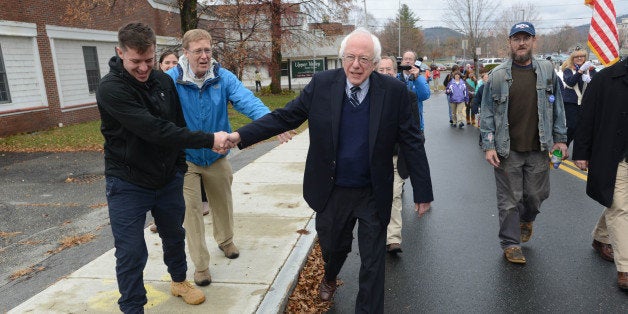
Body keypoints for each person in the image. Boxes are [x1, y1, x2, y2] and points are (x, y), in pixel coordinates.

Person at [226, 28, 433, 312]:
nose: (356, 64)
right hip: (332, 190)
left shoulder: (394, 92)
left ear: (374, 63)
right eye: (350, 57)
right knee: (334, 249)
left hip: (373, 191)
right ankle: (331, 274)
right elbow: (285, 116)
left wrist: (423, 190)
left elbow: (412, 140)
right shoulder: (322, 84)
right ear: (341, 58)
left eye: (363, 58)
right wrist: (241, 137)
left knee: (373, 264)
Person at [96, 22, 232, 313]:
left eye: (149, 60)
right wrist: (209, 139)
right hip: (127, 182)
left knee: (174, 235)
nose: (144, 68)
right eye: (135, 61)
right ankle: (133, 308)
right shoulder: (111, 89)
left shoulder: (164, 82)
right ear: (120, 53)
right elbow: (155, 130)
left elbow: (177, 126)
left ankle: (180, 281)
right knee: (131, 251)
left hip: (167, 178)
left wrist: (179, 168)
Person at [165, 29, 289, 287]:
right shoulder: (170, 80)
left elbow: (248, 101)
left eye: (208, 50)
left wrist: (273, 124)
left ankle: (225, 240)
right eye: (198, 51)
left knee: (222, 200)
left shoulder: (223, 77)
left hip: (216, 154)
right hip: (184, 157)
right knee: (191, 210)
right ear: (185, 53)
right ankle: (200, 266)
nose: (204, 56)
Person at [480, 21, 568, 264]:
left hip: (539, 148)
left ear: (533, 41)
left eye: (525, 38)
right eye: (516, 38)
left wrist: (560, 140)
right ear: (509, 42)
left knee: (536, 195)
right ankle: (510, 243)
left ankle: (527, 219)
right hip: (507, 150)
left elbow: (557, 107)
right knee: (509, 200)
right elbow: (486, 113)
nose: (521, 43)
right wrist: (488, 145)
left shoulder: (547, 71)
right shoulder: (497, 76)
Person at [573, 57, 628, 290]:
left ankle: (600, 237)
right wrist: (581, 152)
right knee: (620, 207)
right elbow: (587, 118)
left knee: (619, 204)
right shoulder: (605, 79)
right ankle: (625, 268)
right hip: (614, 157)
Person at [377, 56, 422, 254]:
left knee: (394, 195)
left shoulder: (407, 96)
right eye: (381, 70)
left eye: (389, 69)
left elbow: (414, 131)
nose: (385, 73)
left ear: (395, 71)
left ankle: (393, 238)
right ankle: (376, 234)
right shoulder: (368, 96)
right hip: (372, 158)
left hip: (396, 157)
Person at [560, 49, 597, 146]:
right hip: (571, 103)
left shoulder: (591, 70)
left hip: (586, 104)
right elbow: (570, 82)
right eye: (577, 56)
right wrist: (580, 71)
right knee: (572, 128)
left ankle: (579, 155)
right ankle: (560, 149)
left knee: (583, 130)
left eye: (582, 56)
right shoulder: (568, 70)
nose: (580, 58)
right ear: (573, 58)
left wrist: (591, 81)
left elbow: (598, 85)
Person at [398, 50, 430, 132]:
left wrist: (417, 78)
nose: (408, 61)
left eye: (410, 59)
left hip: (416, 125)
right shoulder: (395, 78)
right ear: (402, 61)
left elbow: (425, 95)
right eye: (405, 59)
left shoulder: (420, 79)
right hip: (398, 125)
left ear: (415, 62)